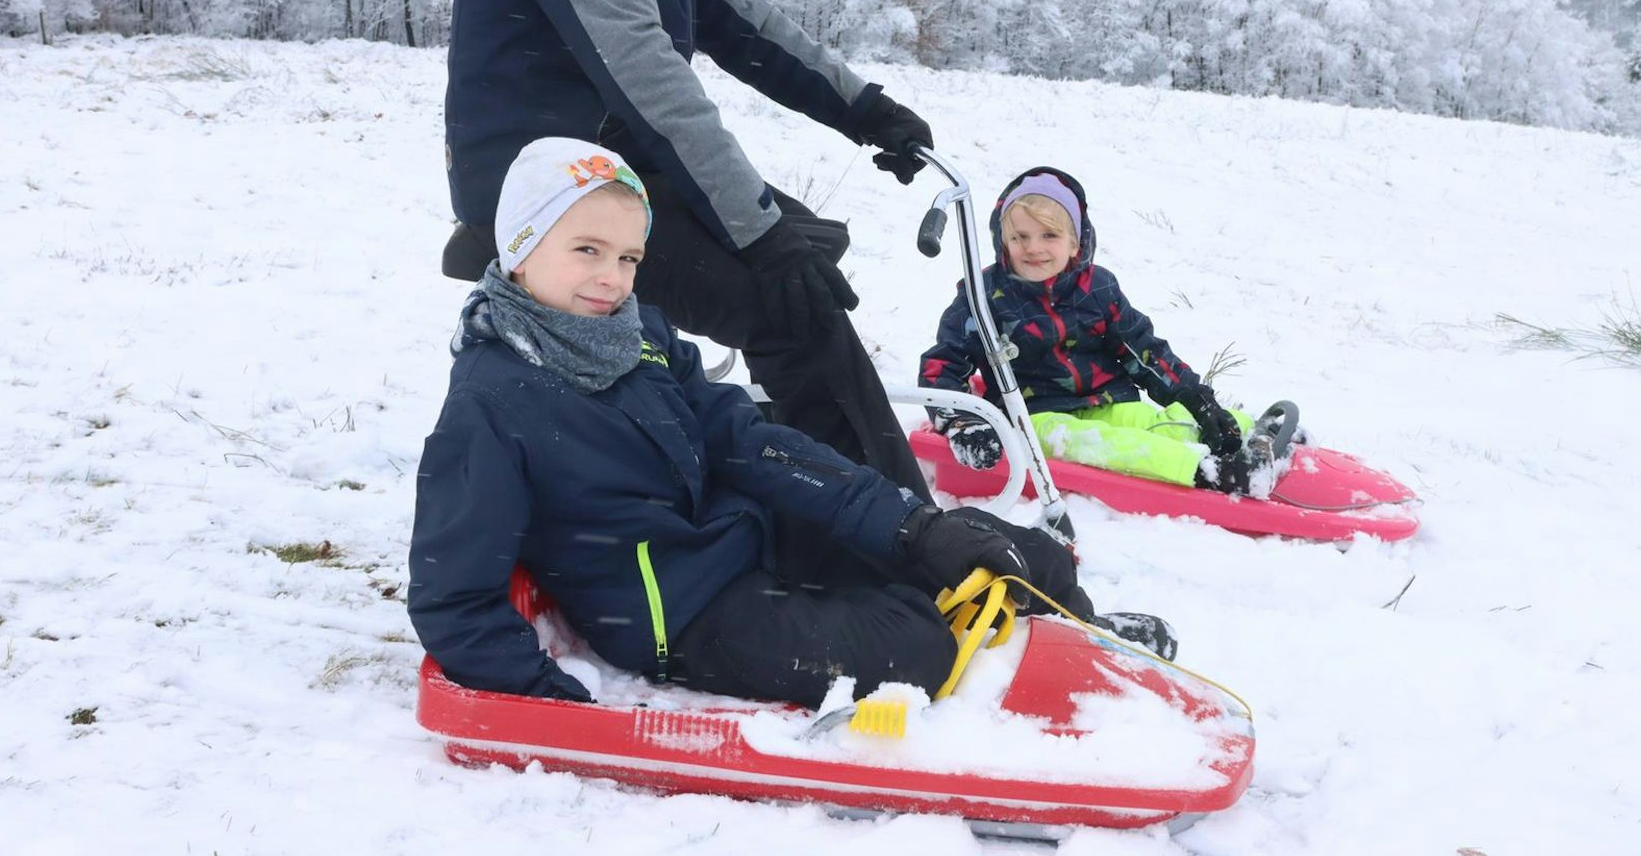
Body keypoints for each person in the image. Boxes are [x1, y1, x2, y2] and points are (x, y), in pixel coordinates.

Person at [408, 139, 1175, 708]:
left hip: (746, 539)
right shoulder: (493, 401)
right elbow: (451, 594)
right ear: (519, 248)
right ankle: (1011, 678)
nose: (613, 277)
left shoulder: (637, 333)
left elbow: (743, 438)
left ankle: (1082, 639)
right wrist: (547, 702)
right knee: (914, 644)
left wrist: (911, 526)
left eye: (630, 257)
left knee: (1004, 549)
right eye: (587, 249)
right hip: (686, 615)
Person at [440, 0, 931, 497]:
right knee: (790, 298)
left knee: (806, 252)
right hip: (544, 183)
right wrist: (757, 233)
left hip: (610, 160)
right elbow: (642, 66)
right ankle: (893, 534)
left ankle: (794, 490)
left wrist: (865, 109)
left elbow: (742, 21)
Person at [919, 167, 1277, 497]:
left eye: (1049, 235)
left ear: (1075, 242)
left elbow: (1145, 353)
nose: (1033, 247)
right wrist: (961, 421)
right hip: (1034, 416)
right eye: (1019, 236)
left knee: (1162, 424)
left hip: (1106, 400)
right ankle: (1206, 471)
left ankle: (1251, 433)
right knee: (1102, 443)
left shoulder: (1097, 289)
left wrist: (1199, 401)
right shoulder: (981, 297)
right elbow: (942, 365)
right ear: (1003, 240)